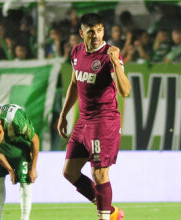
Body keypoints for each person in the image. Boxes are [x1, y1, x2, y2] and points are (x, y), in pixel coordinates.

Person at [57, 13, 131, 220]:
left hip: (104, 121)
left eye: (99, 30)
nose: (96, 35)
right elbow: (74, 84)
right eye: (91, 31)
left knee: (99, 174)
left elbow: (125, 91)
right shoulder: (76, 51)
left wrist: (116, 63)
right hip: (84, 122)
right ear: (82, 34)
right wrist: (63, 115)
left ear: (103, 31)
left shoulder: (110, 55)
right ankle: (112, 211)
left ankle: (104, 217)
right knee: (69, 172)